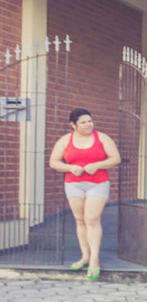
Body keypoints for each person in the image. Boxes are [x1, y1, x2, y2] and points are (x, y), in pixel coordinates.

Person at [49, 108, 121, 280]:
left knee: (92, 219)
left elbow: (115, 159)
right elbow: (53, 162)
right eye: (83, 122)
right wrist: (70, 168)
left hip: (98, 184)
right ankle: (85, 257)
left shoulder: (102, 138)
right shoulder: (65, 140)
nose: (88, 124)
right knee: (80, 220)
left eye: (90, 121)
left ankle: (95, 260)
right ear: (73, 125)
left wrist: (97, 165)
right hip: (74, 184)